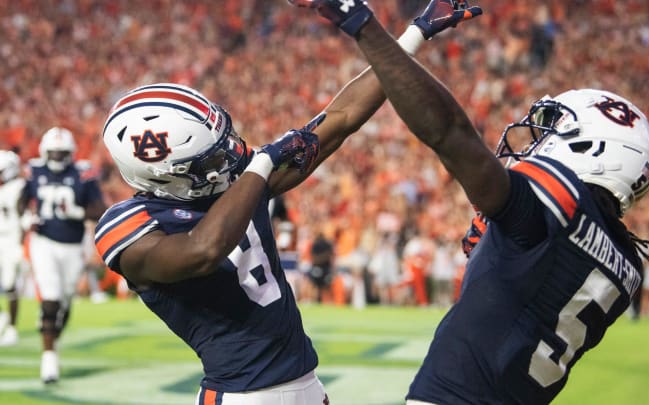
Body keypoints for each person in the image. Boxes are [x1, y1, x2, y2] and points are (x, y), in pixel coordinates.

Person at [93, 3, 480, 403]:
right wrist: (260, 166)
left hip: (306, 385)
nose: (229, 154)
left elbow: (340, 118)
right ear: (160, 173)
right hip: (241, 395)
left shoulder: (235, 178)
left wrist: (414, 34)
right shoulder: (129, 228)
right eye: (209, 158)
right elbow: (201, 250)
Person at [292, 1, 649, 403]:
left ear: (595, 148)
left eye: (556, 132)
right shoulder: (625, 260)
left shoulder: (557, 207)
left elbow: (450, 132)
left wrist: (362, 24)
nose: (540, 143)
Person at [19, 127, 107, 383]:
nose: (57, 158)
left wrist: (77, 213)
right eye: (53, 153)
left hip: (73, 245)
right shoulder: (33, 170)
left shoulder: (83, 173)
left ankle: (51, 338)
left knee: (65, 301)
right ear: (45, 152)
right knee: (51, 299)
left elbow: (99, 209)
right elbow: (21, 200)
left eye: (62, 153)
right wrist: (26, 217)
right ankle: (49, 360)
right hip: (43, 242)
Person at [0, 150, 26, 347]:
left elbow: (23, 212)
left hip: (11, 239)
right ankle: (3, 316)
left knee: (10, 286)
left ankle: (12, 328)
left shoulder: (18, 187)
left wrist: (22, 242)